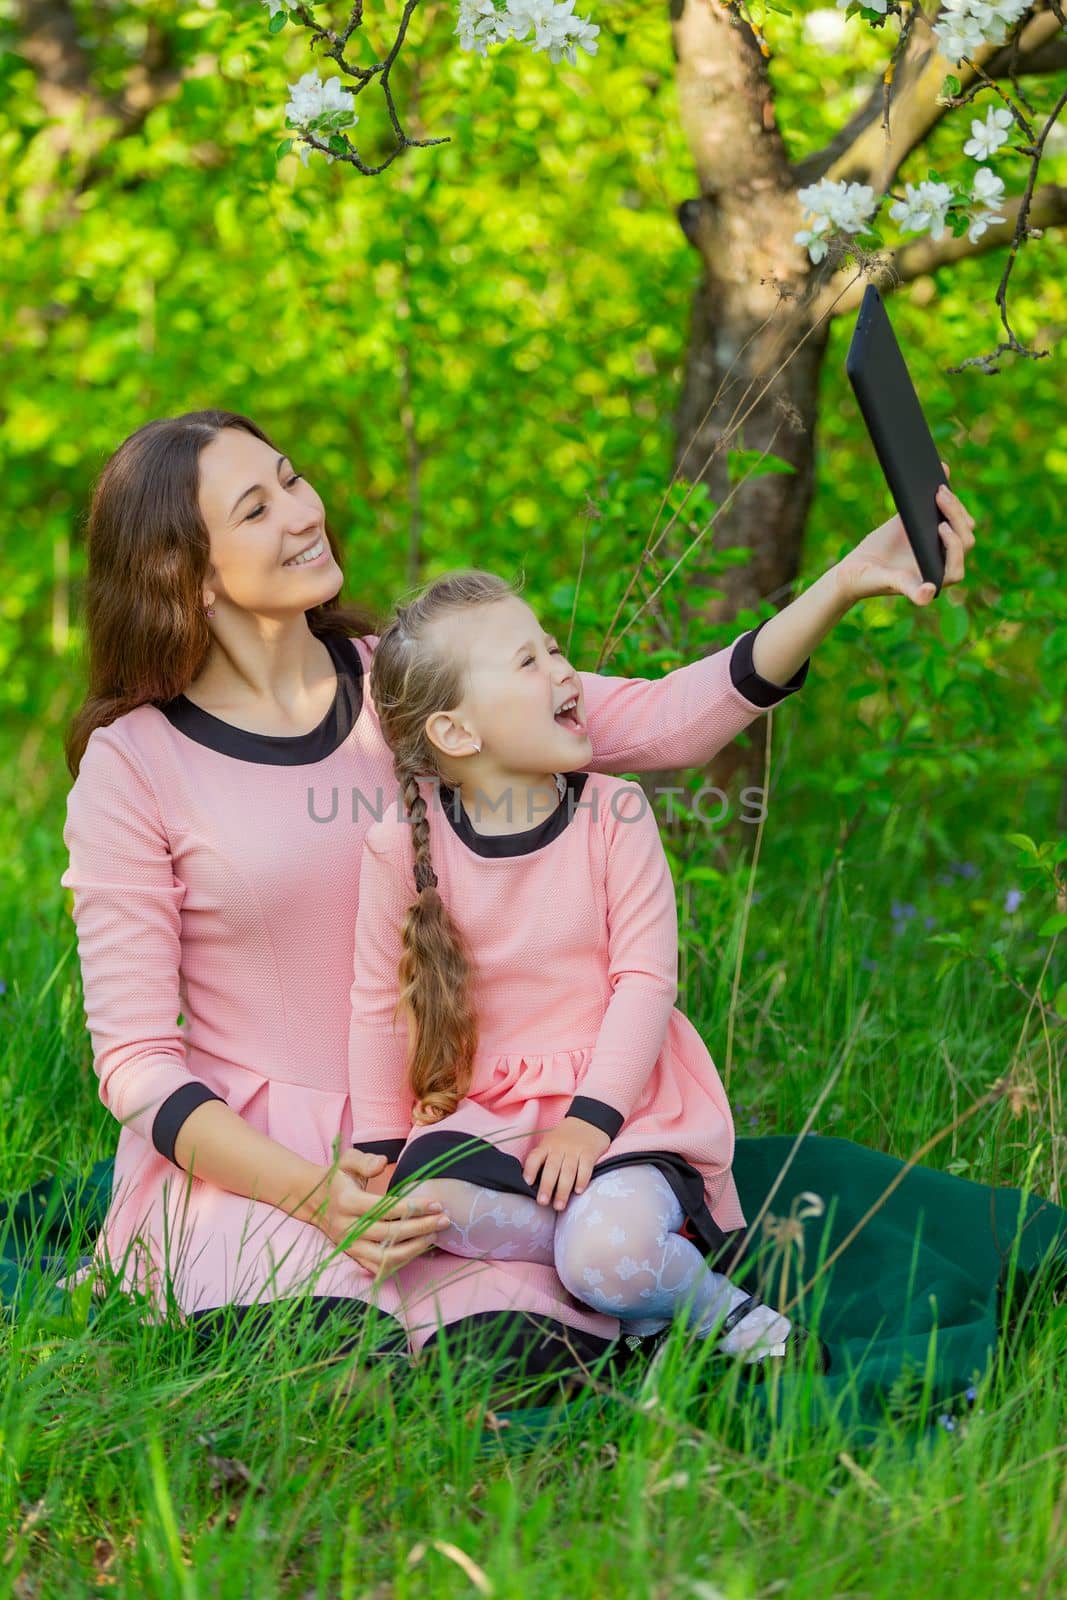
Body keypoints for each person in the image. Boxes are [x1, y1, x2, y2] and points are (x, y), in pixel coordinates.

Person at [59, 408, 976, 1371]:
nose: (303, 511)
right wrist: (312, 1192)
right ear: (186, 574)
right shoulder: (136, 765)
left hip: (464, 1134)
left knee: (512, 1356)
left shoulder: (410, 683)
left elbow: (664, 720)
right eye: (257, 506)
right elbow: (137, 1064)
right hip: (262, 1161)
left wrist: (843, 581)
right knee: (323, 1360)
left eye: (293, 477)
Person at [350, 571, 811, 1366]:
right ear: (457, 734)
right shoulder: (400, 846)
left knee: (601, 1253)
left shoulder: (612, 814)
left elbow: (645, 985)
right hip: (494, 1114)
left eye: (553, 648)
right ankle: (599, 1269)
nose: (563, 671)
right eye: (526, 663)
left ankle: (725, 1314)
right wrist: (379, 1144)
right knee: (414, 1212)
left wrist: (586, 1121)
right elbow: (376, 1004)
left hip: (622, 1110)